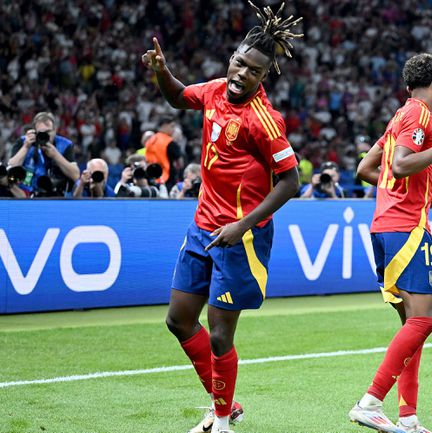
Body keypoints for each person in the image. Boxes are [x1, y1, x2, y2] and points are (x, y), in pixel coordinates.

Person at [141, 3, 302, 433]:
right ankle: (225, 406)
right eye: (239, 63)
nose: (241, 74)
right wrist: (162, 70)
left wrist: (242, 226)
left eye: (253, 70)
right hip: (202, 226)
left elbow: (291, 181)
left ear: (263, 77)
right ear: (232, 57)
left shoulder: (265, 121)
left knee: (218, 335)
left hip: (240, 236)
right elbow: (178, 96)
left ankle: (222, 420)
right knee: (178, 319)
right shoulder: (214, 90)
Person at [353, 53, 432, 433]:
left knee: (412, 327)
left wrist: (420, 191)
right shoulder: (421, 115)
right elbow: (400, 165)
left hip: (386, 226)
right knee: (424, 320)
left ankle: (408, 418)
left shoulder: (399, 116)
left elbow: (366, 169)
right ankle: (370, 402)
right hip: (405, 229)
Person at [8, 112, 80, 196]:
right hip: (27, 194)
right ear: (35, 132)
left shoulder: (65, 145)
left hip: (57, 195)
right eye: (41, 132)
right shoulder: (23, 142)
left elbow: (76, 175)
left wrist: (56, 155)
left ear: (55, 130)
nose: (45, 135)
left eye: (48, 131)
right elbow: (10, 168)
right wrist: (26, 147)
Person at [145, 117, 182, 189]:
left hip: (151, 178)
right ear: (164, 125)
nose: (174, 129)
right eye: (172, 126)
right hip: (167, 179)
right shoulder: (170, 142)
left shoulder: (150, 140)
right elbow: (180, 163)